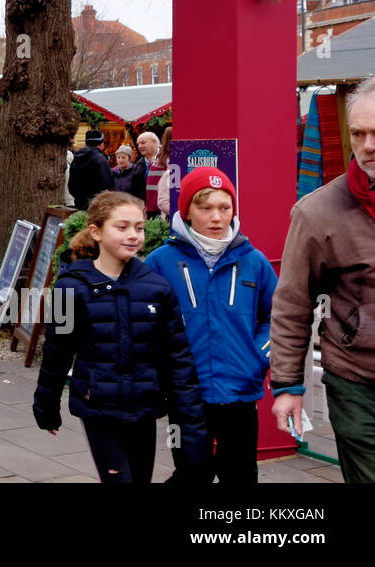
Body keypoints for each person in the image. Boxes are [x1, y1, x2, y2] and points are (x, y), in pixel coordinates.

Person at [33, 191, 208, 483]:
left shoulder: (158, 288)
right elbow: (57, 352)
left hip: (144, 407)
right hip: (99, 408)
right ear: (96, 232)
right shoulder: (68, 287)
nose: (133, 235)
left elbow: (177, 358)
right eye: (122, 227)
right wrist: (46, 406)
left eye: (139, 227)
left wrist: (190, 422)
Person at [271, 77, 375, 482]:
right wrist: (287, 386)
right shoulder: (317, 212)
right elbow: (292, 303)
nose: (368, 145)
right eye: (359, 133)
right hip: (357, 386)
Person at [146, 167, 275, 483]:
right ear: (187, 211)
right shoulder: (160, 262)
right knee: (192, 473)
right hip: (186, 394)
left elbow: (278, 318)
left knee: (241, 474)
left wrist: (257, 355)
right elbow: (145, 325)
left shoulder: (254, 261)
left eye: (225, 207)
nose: (217, 217)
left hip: (240, 391)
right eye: (205, 208)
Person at [68, 129, 113, 209]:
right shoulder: (100, 159)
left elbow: (71, 186)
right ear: (100, 144)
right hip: (97, 206)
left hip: (79, 204)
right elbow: (107, 184)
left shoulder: (76, 158)